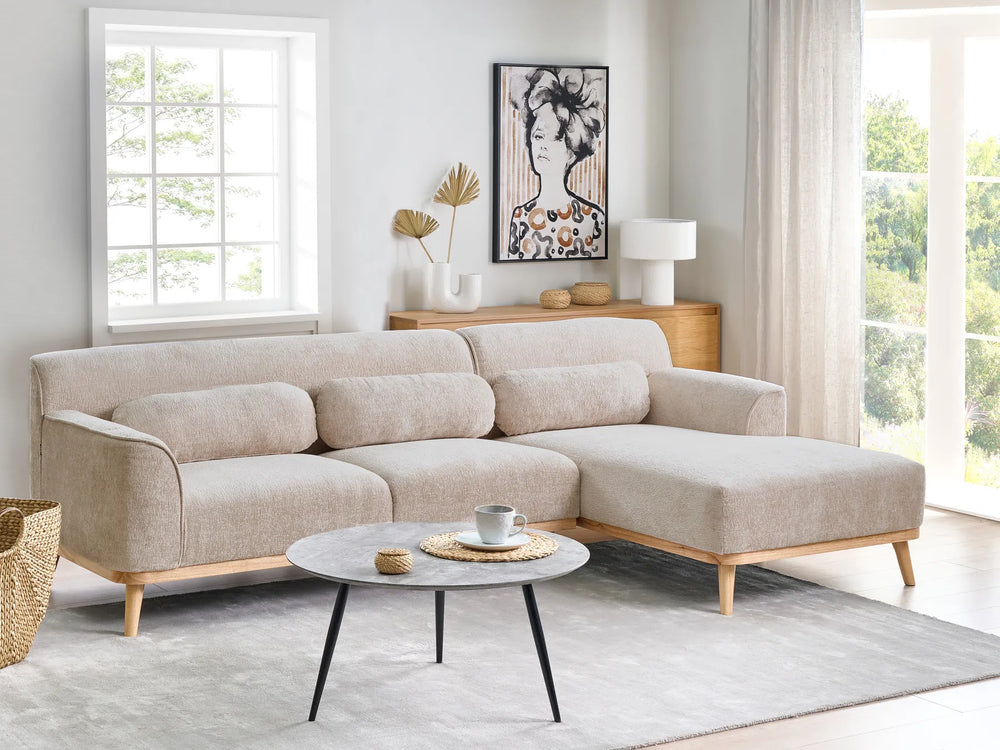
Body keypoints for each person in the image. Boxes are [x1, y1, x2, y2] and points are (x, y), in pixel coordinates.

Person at [507, 67, 606, 260]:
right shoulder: (520, 218)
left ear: (571, 152)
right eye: (539, 136)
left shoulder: (593, 218)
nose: (543, 146)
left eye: (555, 139)